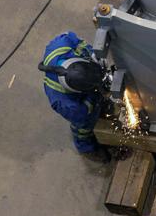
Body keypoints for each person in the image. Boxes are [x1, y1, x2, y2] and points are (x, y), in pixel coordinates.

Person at [39, 31, 109, 163]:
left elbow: (74, 39)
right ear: (79, 91)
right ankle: (86, 148)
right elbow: (82, 113)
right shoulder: (65, 103)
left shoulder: (60, 45)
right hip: (81, 111)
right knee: (84, 125)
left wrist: (91, 54)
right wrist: (95, 98)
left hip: (84, 78)